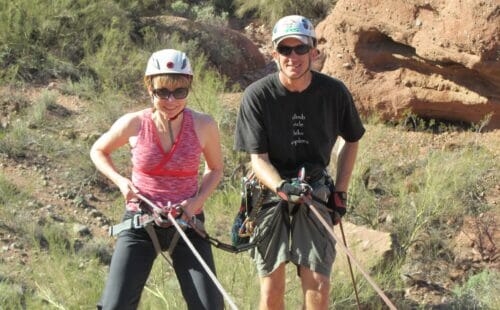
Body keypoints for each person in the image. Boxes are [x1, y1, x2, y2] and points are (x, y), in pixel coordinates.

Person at [234, 15, 365, 309]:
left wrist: (340, 191)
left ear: (314, 52)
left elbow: (352, 139)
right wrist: (282, 186)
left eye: (300, 49)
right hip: (269, 193)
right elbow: (259, 159)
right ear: (275, 55)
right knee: (272, 287)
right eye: (285, 50)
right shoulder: (257, 96)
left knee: (318, 284)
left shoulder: (333, 92)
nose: (293, 57)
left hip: (315, 189)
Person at [90, 49, 224, 310]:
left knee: (210, 306)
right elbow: (98, 150)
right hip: (141, 223)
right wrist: (120, 181)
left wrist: (196, 203)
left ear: (189, 87)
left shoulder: (203, 125)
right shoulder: (135, 124)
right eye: (163, 91)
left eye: (180, 91)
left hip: (187, 222)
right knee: (114, 306)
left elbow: (215, 168)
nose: (171, 100)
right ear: (149, 87)